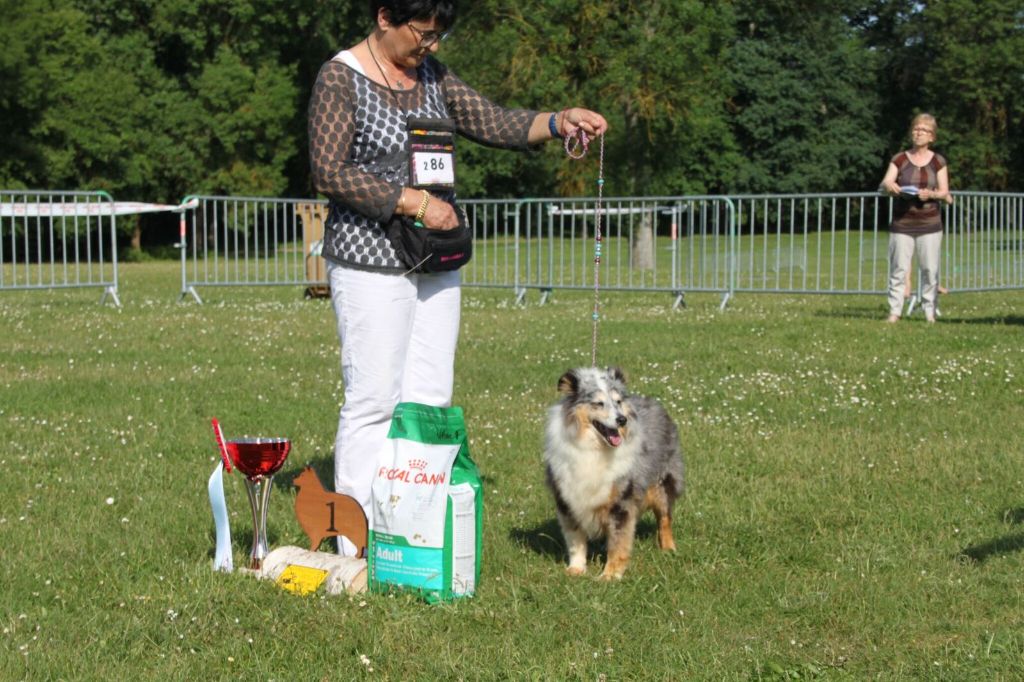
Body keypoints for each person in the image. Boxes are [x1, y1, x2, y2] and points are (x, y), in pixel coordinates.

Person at [308, 0, 608, 555]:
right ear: (384, 18)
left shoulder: (431, 75)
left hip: (435, 258)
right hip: (370, 258)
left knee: (429, 396)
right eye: (424, 33)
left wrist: (559, 120)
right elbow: (328, 169)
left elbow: (492, 120)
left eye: (440, 35)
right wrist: (413, 202)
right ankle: (356, 539)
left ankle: (409, 527)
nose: (433, 46)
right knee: (373, 401)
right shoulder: (340, 76)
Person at [879, 113, 950, 323]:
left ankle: (930, 311)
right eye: (916, 129)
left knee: (930, 269)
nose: (918, 133)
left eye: (924, 130)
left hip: (930, 223)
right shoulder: (899, 159)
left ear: (932, 137)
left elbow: (945, 192)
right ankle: (894, 312)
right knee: (898, 269)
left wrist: (932, 194)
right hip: (902, 223)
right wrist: (889, 186)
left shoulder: (938, 161)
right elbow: (885, 182)